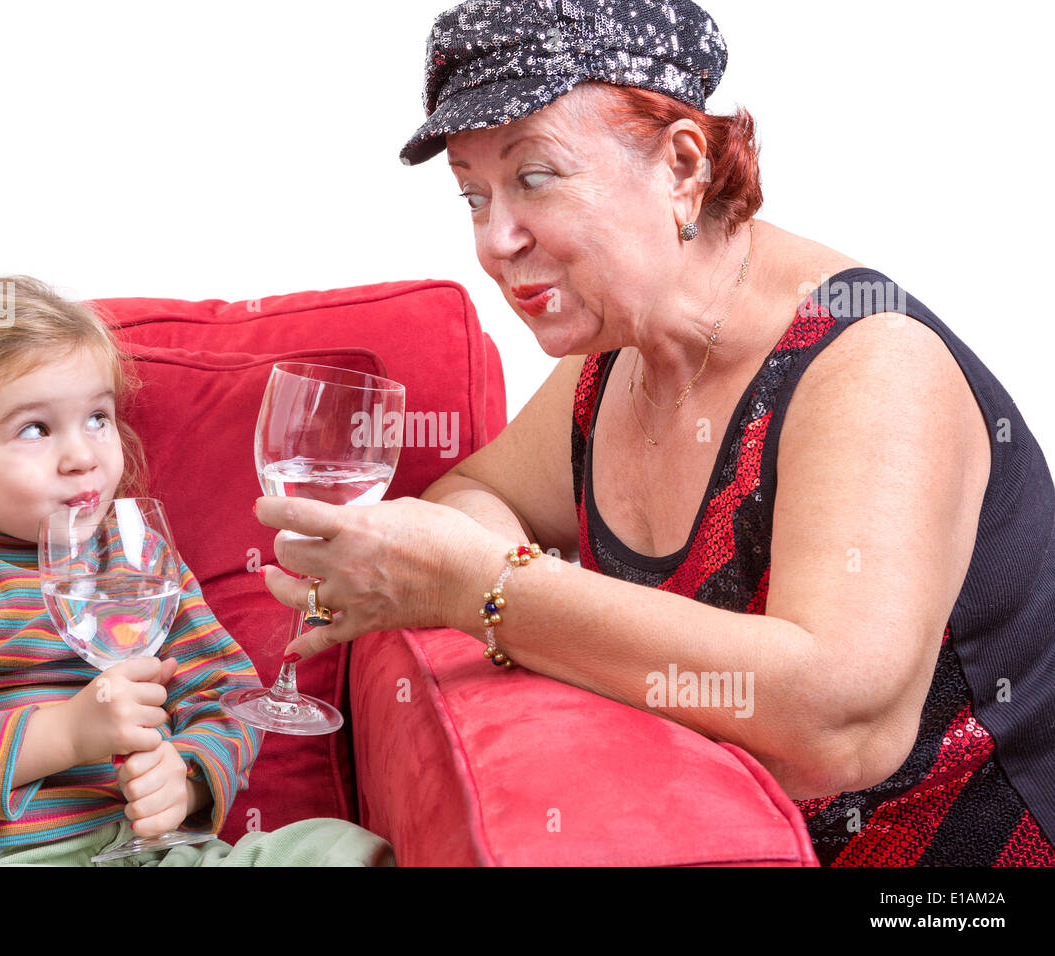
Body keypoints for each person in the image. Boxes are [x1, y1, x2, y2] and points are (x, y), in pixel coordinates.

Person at [253, 0, 1055, 866]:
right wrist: (496, 584)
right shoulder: (622, 347)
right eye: (472, 193)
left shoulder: (870, 364)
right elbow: (474, 495)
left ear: (681, 166)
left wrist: (484, 592)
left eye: (534, 177)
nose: (495, 239)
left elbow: (837, 726)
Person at [0, 276, 393, 867]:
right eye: (35, 429)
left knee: (338, 849)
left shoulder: (139, 563)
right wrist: (67, 734)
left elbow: (224, 693)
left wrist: (187, 778)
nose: (83, 456)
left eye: (97, 417)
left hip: (147, 850)